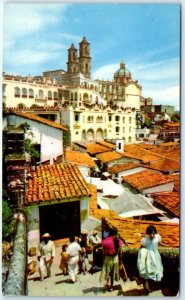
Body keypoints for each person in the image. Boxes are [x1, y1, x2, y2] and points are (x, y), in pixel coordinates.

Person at [137, 225, 169, 293]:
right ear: (147, 233)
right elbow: (141, 247)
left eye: (153, 233)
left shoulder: (157, 237)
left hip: (156, 255)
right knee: (149, 270)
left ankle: (152, 285)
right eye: (150, 233)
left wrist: (167, 246)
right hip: (148, 256)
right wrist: (141, 257)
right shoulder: (144, 240)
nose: (152, 235)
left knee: (157, 269)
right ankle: (147, 286)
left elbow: (159, 243)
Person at [100, 227, 124, 292]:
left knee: (107, 272)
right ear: (116, 233)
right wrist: (120, 261)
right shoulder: (119, 241)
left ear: (109, 233)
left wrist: (103, 260)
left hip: (107, 259)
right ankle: (111, 286)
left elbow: (104, 253)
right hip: (115, 259)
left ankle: (107, 282)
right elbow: (120, 253)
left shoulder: (104, 241)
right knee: (112, 274)